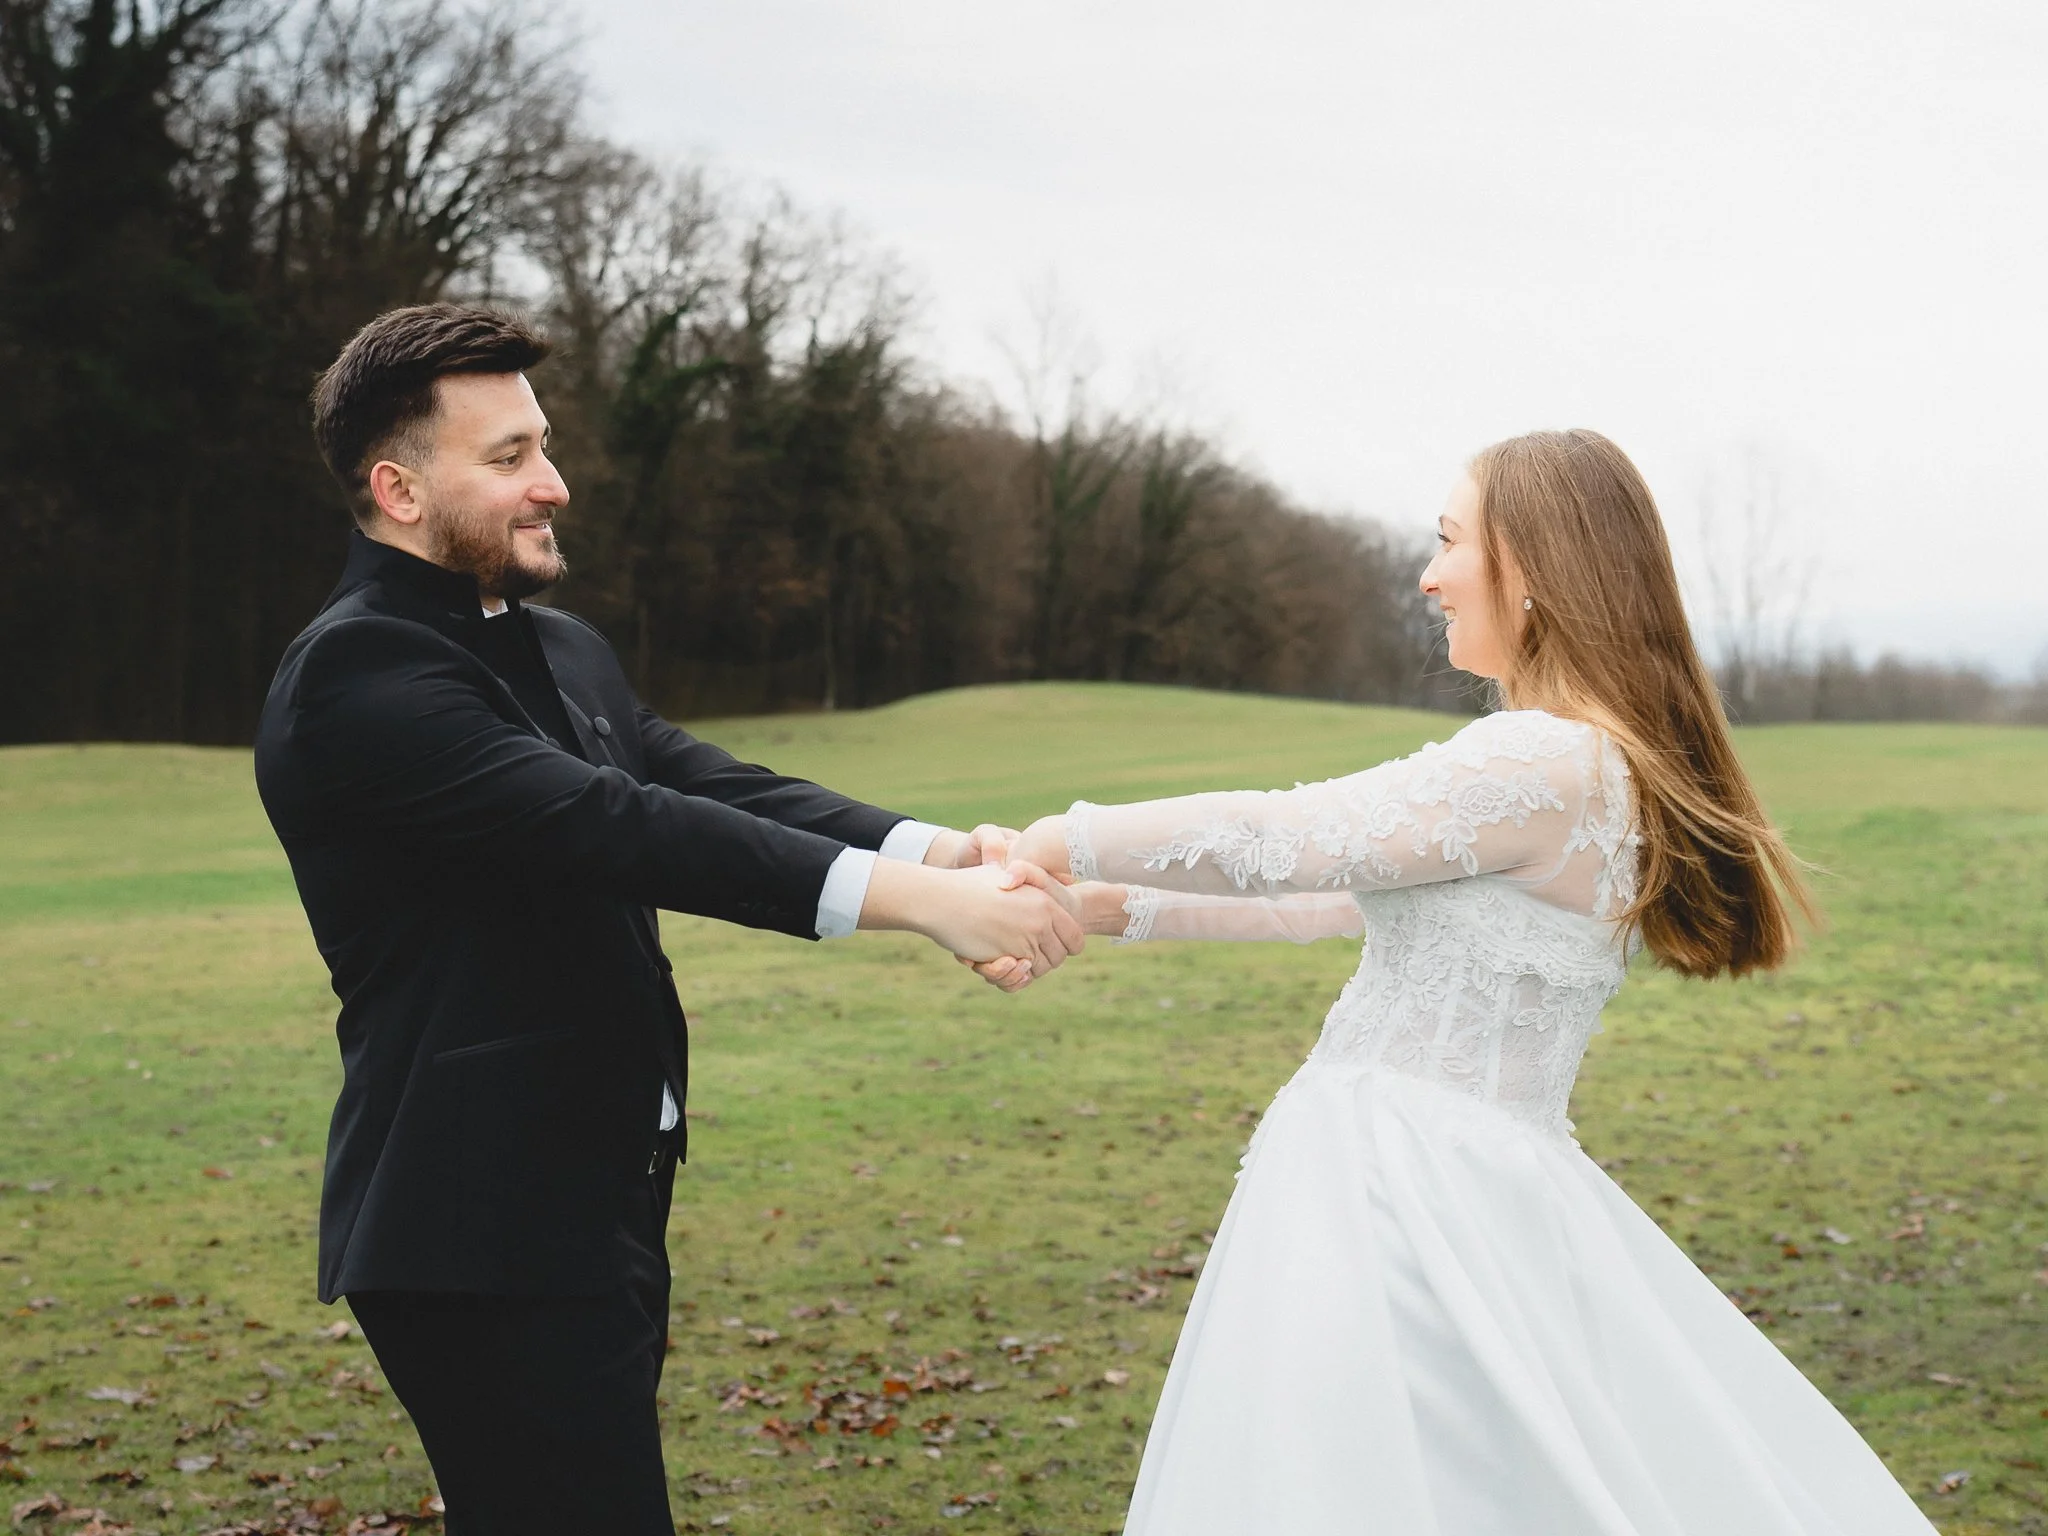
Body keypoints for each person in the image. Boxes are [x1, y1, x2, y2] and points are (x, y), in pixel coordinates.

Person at [996, 430, 1936, 1534]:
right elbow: (1334, 900)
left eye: (1448, 543)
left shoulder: (1541, 758)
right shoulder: (1587, 759)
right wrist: (1101, 907)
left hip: (1408, 1189)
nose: (1427, 575)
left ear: (1531, 569)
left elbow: (1283, 838)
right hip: (1455, 1175)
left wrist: (1061, 836)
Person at [253, 303, 1080, 1535]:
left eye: (543, 444)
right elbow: (616, 824)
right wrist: (925, 909)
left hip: (599, 1193)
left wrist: (944, 848)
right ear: (399, 488)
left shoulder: (564, 647)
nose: (556, 484)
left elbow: (704, 782)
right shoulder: (356, 675)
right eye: (510, 459)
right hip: (473, 1222)